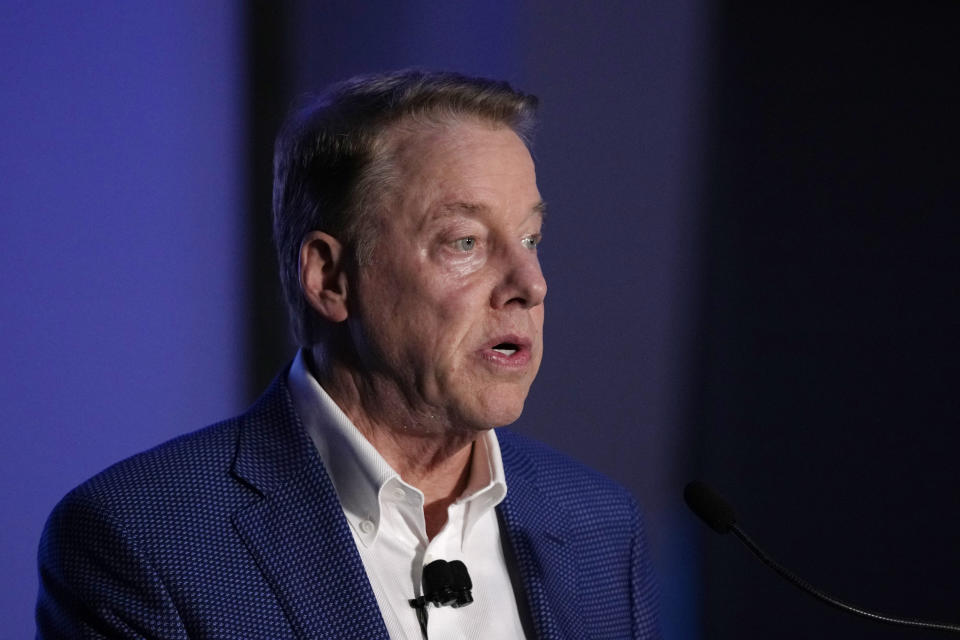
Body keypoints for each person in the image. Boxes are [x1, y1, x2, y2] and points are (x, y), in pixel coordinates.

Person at [36, 70, 661, 639]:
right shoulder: (142, 539)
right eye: (465, 241)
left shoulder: (598, 528)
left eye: (531, 239)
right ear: (330, 278)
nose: (530, 283)